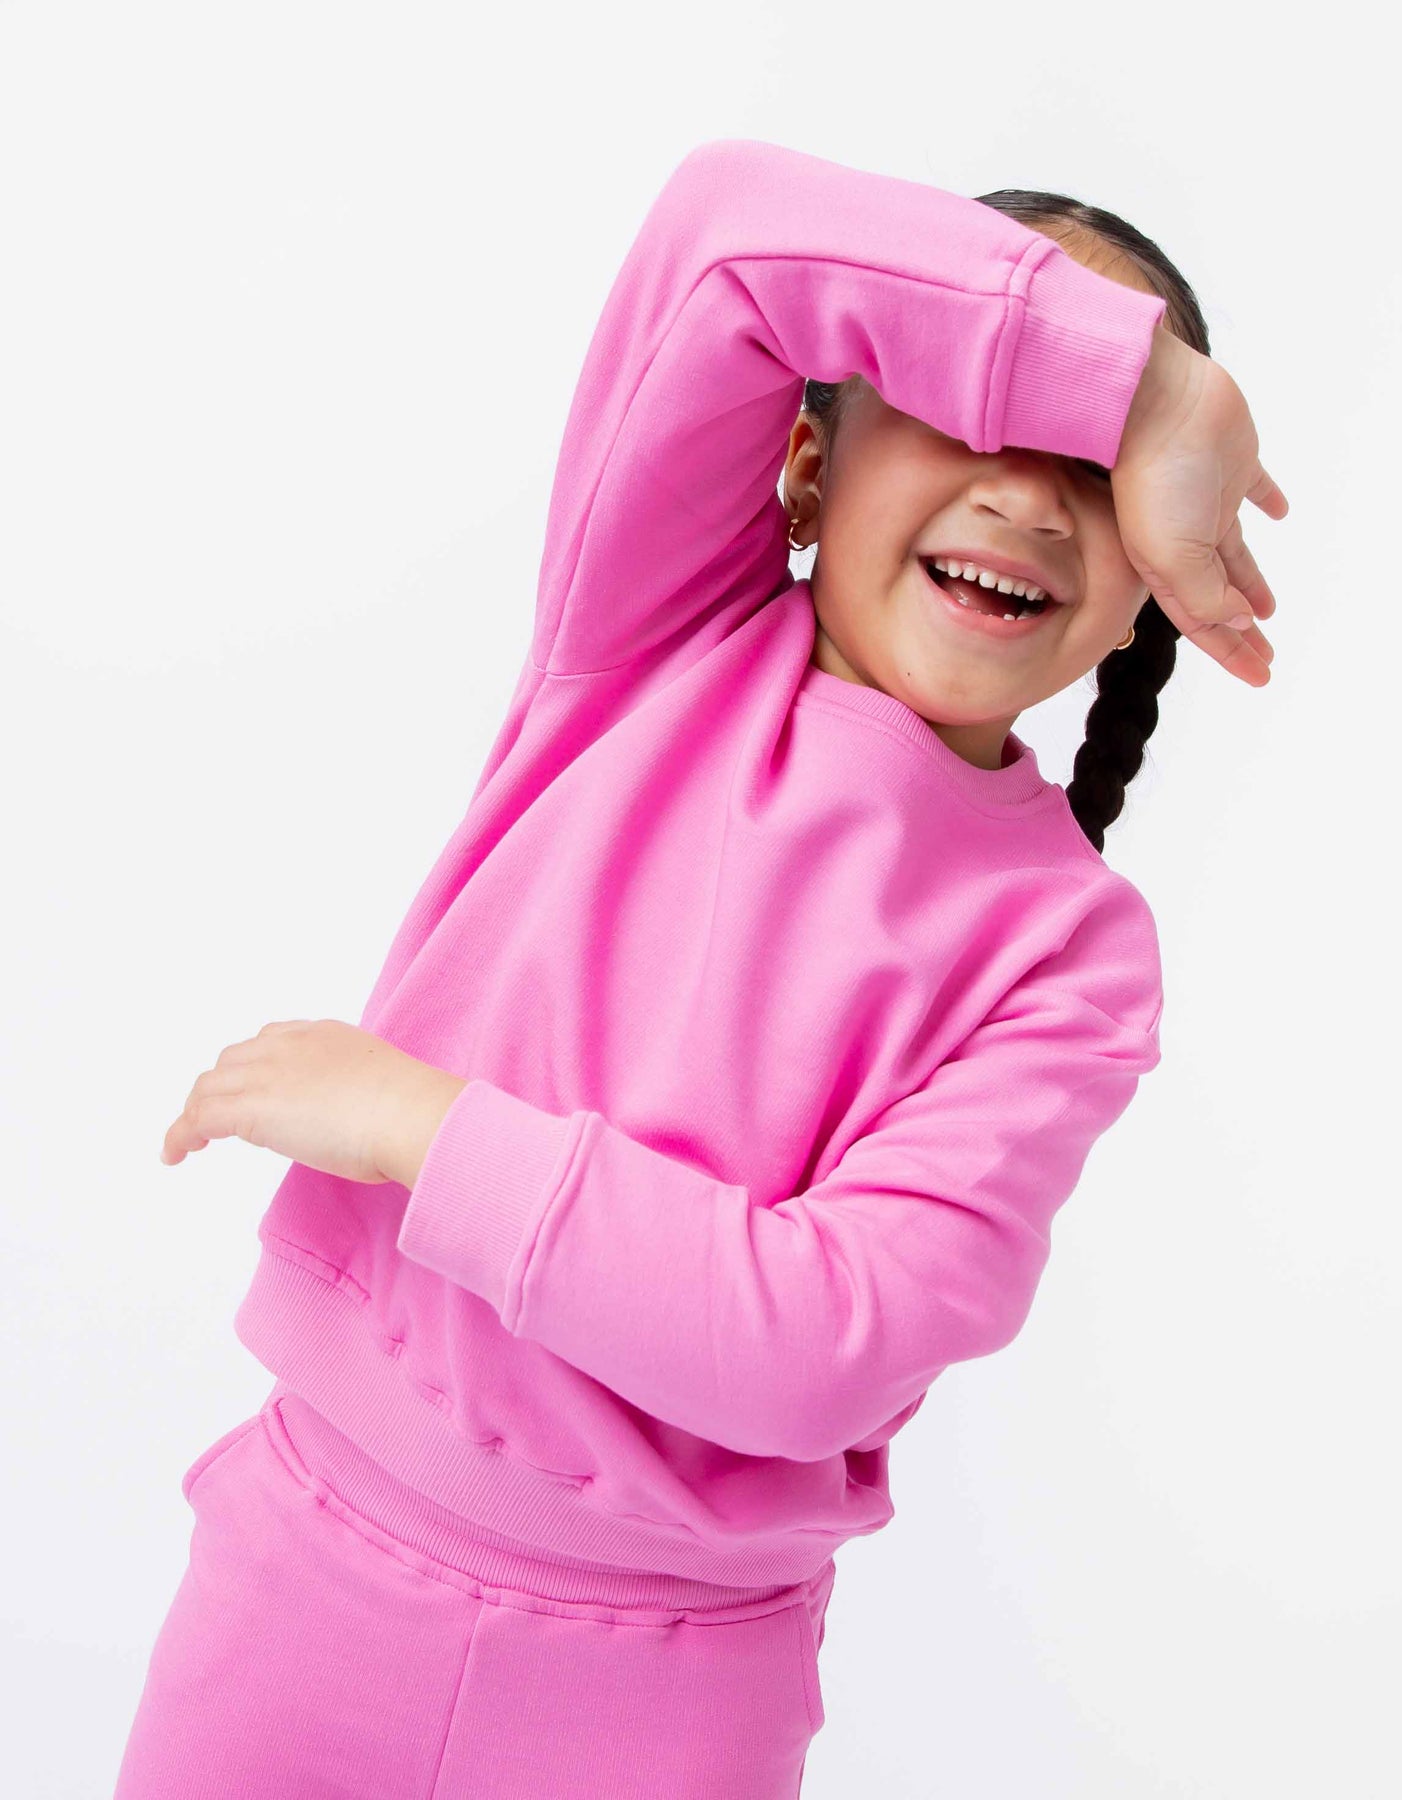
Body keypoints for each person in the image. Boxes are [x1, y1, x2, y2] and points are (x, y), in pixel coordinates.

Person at [115, 136, 1286, 1798]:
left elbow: (826, 1342)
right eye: (982, 411)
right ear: (805, 469)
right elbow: (730, 233)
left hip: (667, 1701)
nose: (1032, 495)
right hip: (305, 1582)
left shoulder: (1074, 957)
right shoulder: (647, 631)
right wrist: (1148, 392)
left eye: (1100, 464)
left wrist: (423, 1128)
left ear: (1151, 582)